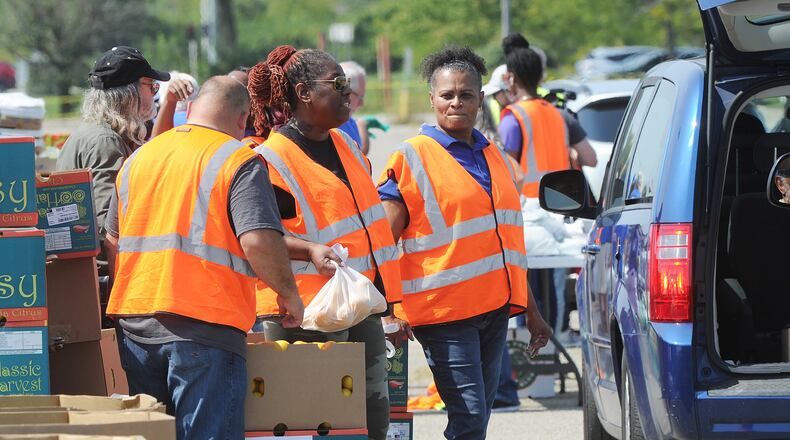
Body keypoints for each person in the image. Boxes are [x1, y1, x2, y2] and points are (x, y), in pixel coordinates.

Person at [103, 76, 304, 439]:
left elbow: (112, 239)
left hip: (136, 323)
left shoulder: (139, 158)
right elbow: (258, 240)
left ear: (192, 109)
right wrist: (288, 295)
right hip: (204, 324)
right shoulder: (238, 159)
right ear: (242, 118)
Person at [378, 46, 552, 440]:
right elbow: (382, 243)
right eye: (447, 95)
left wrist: (532, 311)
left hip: (493, 310)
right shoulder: (413, 157)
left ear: (480, 99)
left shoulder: (492, 155)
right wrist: (386, 312)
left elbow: (508, 244)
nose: (456, 102)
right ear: (432, 99)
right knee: (470, 416)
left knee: (478, 417)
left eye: (466, 94)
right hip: (444, 314)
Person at [247, 45, 404, 440]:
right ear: (303, 93)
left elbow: (368, 232)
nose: (348, 92)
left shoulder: (348, 147)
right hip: (302, 313)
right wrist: (310, 253)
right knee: (317, 423)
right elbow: (259, 237)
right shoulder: (270, 161)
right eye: (337, 84)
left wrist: (390, 306)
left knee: (372, 416)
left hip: (358, 304)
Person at [56, 46, 169, 236]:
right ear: (129, 94)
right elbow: (108, 225)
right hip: (103, 264)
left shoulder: (95, 132)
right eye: (151, 86)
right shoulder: (106, 141)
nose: (154, 94)